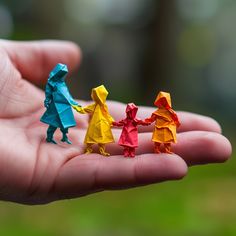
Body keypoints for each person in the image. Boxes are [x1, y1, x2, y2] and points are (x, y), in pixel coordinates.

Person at [0, 39, 232, 204]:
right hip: (66, 112)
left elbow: (141, 119)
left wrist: (136, 121)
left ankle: (141, 147)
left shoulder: (157, 113)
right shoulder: (58, 86)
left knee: (118, 139)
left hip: (139, 128)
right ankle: (73, 141)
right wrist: (82, 108)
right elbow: (86, 107)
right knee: (68, 129)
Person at [40, 63, 80, 144]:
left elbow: (67, 95)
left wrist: (74, 103)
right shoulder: (51, 83)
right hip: (55, 106)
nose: (62, 75)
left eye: (63, 73)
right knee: (53, 123)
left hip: (65, 106)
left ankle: (64, 137)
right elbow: (48, 93)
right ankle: (49, 137)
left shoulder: (62, 83)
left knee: (65, 123)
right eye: (60, 73)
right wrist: (47, 100)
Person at [73, 85, 115, 156]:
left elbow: (106, 114)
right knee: (90, 138)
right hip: (94, 124)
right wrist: (77, 107)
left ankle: (102, 151)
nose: (94, 96)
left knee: (101, 139)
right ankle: (89, 150)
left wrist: (111, 120)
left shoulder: (103, 106)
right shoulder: (94, 106)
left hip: (102, 124)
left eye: (96, 95)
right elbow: (84, 110)